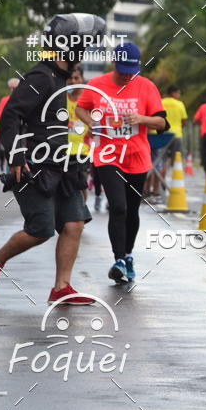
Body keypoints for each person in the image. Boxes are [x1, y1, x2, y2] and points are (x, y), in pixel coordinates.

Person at [0, 13, 104, 303]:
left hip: (61, 164)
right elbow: (11, 116)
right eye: (83, 46)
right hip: (34, 166)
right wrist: (16, 157)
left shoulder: (60, 77)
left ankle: (61, 288)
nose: (84, 52)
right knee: (39, 230)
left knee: (74, 223)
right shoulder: (41, 76)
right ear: (70, 48)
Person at [75, 42, 167, 284]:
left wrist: (141, 118)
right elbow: (80, 109)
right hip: (107, 155)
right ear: (113, 63)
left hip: (137, 157)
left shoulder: (146, 86)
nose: (127, 75)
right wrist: (92, 123)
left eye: (131, 70)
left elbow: (162, 123)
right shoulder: (96, 85)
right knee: (118, 207)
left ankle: (127, 256)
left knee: (132, 210)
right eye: (123, 69)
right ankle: (117, 260)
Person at [66, 66, 90, 202]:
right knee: (66, 187)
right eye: (70, 78)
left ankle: (81, 214)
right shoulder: (60, 98)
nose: (73, 81)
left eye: (76, 78)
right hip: (62, 150)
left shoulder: (89, 99)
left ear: (82, 79)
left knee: (80, 186)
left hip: (83, 150)